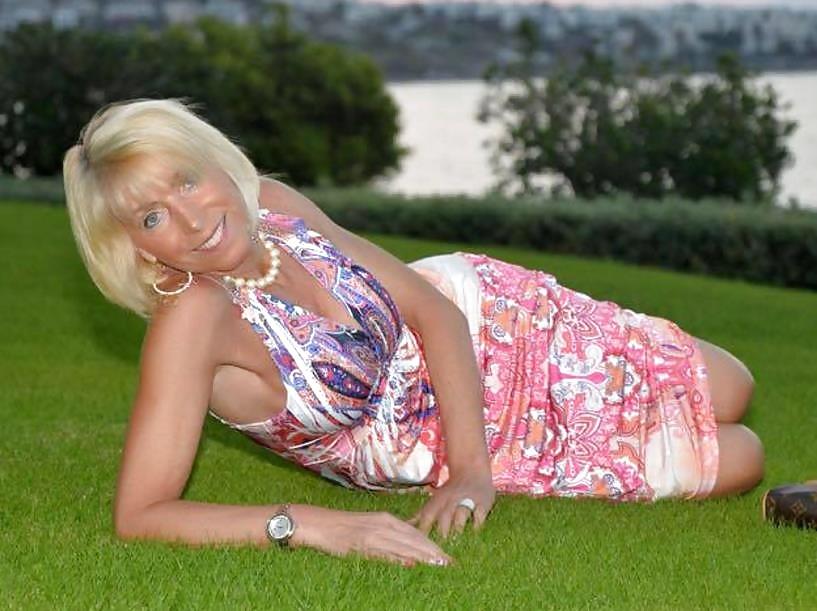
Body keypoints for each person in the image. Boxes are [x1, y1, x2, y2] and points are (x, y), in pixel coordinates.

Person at [63, 98, 764, 568]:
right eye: (151, 218)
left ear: (214, 159)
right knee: (740, 459)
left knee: (732, 385)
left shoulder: (273, 206)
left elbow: (434, 312)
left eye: (186, 181)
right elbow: (141, 512)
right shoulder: (194, 316)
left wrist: (472, 473)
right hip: (421, 445)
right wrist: (312, 523)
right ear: (139, 250)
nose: (190, 218)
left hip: (488, 325)